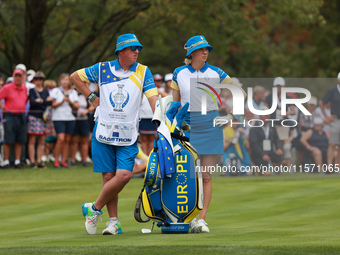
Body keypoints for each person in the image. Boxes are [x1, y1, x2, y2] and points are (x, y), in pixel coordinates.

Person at [70, 33, 158, 235]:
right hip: (103, 130)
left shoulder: (144, 72)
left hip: (128, 133)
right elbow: (75, 77)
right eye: (133, 48)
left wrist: (160, 114)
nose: (137, 51)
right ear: (120, 51)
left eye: (139, 48)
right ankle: (114, 222)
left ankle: (93, 208)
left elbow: (152, 97)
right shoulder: (102, 69)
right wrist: (93, 97)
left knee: (124, 175)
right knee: (109, 176)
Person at [171, 35, 244, 233]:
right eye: (202, 49)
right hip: (186, 125)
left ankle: (201, 219)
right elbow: (175, 103)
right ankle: (186, 216)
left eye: (207, 49)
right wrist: (171, 125)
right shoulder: (178, 73)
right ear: (191, 52)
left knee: (206, 176)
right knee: (185, 175)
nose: (206, 52)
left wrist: (230, 115)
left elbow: (240, 93)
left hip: (211, 125)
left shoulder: (216, 72)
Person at [0, 69, 28, 169]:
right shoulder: (7, 87)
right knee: (8, 140)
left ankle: (17, 161)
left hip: (21, 116)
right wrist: (2, 106)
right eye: (16, 76)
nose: (17, 78)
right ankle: (7, 161)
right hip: (10, 116)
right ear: (13, 76)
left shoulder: (24, 88)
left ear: (23, 77)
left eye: (19, 76)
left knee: (20, 140)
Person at [50, 73, 79, 168]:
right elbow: (52, 105)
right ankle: (56, 160)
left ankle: (64, 160)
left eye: (66, 80)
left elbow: (76, 107)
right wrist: (62, 101)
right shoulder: (56, 91)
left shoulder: (73, 92)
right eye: (62, 80)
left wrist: (69, 101)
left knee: (67, 140)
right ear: (59, 81)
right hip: (58, 118)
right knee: (60, 139)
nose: (64, 81)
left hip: (70, 118)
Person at [27, 71, 52, 169]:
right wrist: (44, 101)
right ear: (34, 80)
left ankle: (39, 161)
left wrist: (41, 101)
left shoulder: (45, 91)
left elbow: (49, 102)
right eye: (36, 79)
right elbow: (32, 103)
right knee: (32, 139)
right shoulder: (32, 90)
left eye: (40, 79)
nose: (38, 81)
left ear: (42, 80)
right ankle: (32, 161)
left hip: (43, 118)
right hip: (33, 116)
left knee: (42, 140)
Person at [249, 105, 284, 172]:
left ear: (268, 116)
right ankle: (255, 167)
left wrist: (278, 148)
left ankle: (274, 167)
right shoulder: (254, 128)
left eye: (265, 115)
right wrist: (262, 155)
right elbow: (254, 145)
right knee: (266, 172)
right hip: (258, 155)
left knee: (283, 161)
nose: (263, 116)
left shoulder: (272, 126)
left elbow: (276, 139)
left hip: (270, 152)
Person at [70, 86, 95, 167]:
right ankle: (73, 160)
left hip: (84, 120)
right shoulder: (71, 93)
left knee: (84, 140)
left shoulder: (86, 93)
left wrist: (86, 111)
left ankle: (84, 160)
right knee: (74, 141)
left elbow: (93, 105)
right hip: (73, 119)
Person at [319, 72, 340, 167]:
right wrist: (326, 116)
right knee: (332, 144)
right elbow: (321, 102)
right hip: (335, 120)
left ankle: (338, 166)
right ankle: (329, 166)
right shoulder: (332, 90)